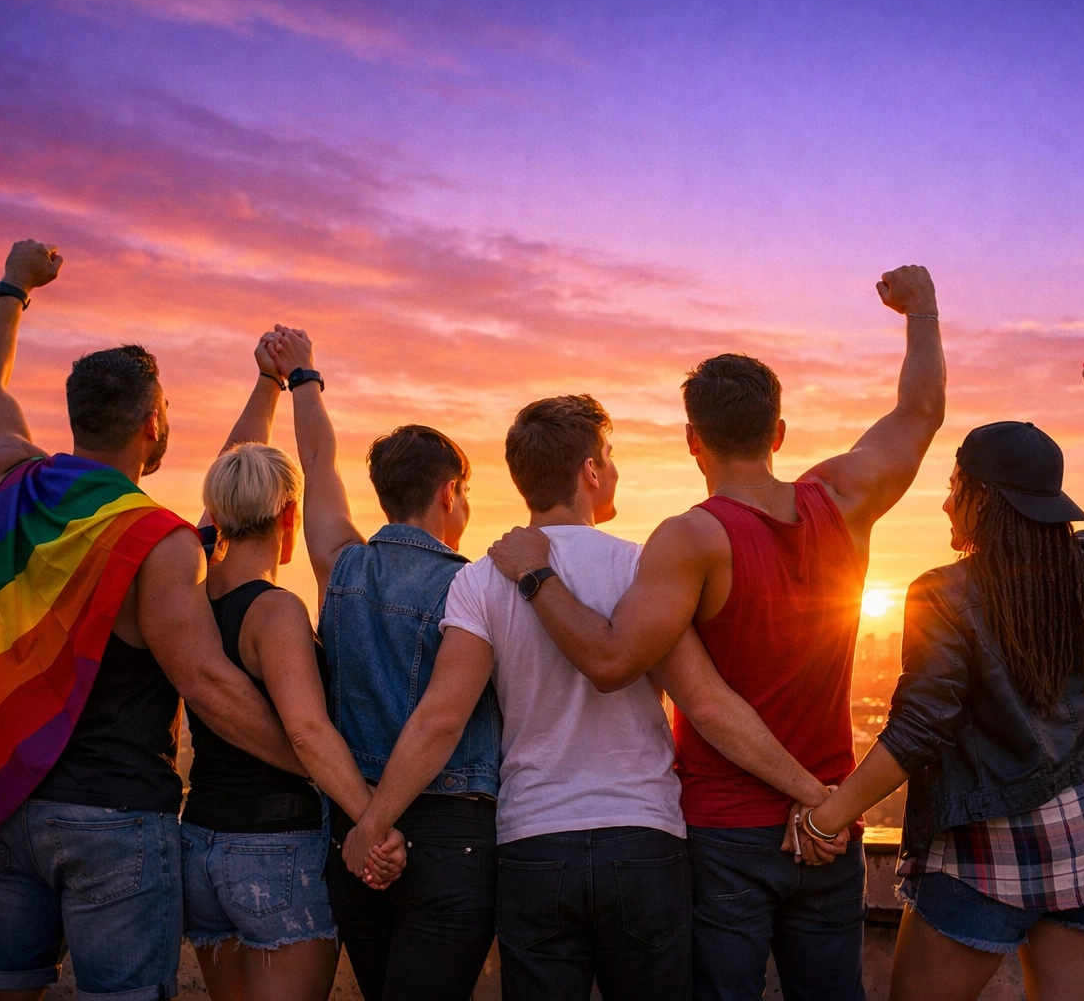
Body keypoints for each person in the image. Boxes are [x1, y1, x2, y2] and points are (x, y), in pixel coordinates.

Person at [486, 265, 946, 1000]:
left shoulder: (689, 540)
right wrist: (921, 311)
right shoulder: (843, 497)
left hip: (725, 831)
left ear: (693, 441)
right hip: (830, 822)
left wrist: (536, 575)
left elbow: (611, 660)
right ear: (780, 432)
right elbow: (920, 411)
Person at [345, 394, 848, 1001]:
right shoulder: (643, 568)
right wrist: (814, 795)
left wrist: (371, 824)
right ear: (588, 471)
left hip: (533, 843)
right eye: (607, 459)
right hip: (643, 840)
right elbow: (708, 707)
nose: (612, 472)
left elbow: (441, 720)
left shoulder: (482, 578)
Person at [0, 241, 309, 1000]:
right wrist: (315, 759)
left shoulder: (13, 484)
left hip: (10, 806)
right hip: (114, 818)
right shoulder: (158, 542)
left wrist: (14, 286)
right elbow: (209, 684)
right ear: (153, 424)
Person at [799, 357, 1084, 1001]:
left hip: (983, 847)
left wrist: (825, 818)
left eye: (956, 486)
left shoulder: (944, 595)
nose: (947, 501)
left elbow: (921, 725)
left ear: (984, 500)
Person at [261, 326, 500, 1001]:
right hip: (449, 835)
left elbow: (317, 461)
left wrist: (303, 376)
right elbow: (442, 722)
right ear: (450, 492)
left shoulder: (343, 568)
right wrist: (378, 828)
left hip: (353, 828)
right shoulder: (475, 586)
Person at [179, 338, 407, 1001]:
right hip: (275, 852)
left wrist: (267, 386)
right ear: (290, 516)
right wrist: (372, 820)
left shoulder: (192, 587)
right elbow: (307, 732)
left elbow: (231, 467)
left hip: (203, 845)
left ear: (218, 512)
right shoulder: (275, 613)